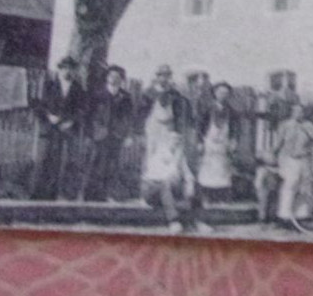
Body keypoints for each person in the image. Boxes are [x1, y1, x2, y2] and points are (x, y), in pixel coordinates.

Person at [139, 65, 205, 233]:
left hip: (168, 130)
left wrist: (177, 131)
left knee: (176, 159)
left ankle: (194, 218)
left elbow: (182, 112)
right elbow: (140, 113)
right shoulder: (148, 93)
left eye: (167, 76)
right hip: (153, 128)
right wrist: (139, 131)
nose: (164, 78)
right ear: (157, 77)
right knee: (151, 159)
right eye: (162, 75)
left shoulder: (175, 95)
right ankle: (148, 194)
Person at [32, 56, 85, 201]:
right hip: (50, 129)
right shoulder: (49, 85)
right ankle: (39, 194)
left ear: (74, 71)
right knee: (45, 160)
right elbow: (39, 106)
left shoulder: (78, 88)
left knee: (64, 162)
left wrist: (71, 122)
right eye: (64, 68)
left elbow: (81, 110)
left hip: (67, 130)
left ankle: (58, 195)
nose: (67, 72)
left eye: (71, 69)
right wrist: (49, 116)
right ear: (59, 69)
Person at [81, 64, 132, 202]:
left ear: (121, 79)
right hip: (99, 135)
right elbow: (88, 116)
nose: (113, 79)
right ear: (107, 78)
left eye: (117, 77)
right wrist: (89, 133)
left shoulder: (125, 97)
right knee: (95, 163)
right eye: (111, 76)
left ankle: (107, 194)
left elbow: (128, 118)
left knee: (112, 165)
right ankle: (89, 195)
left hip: (116, 136)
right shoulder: (97, 95)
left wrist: (127, 135)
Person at [274, 101, 313, 232]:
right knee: (290, 185)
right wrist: (273, 155)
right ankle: (284, 217)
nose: (298, 114)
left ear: (304, 113)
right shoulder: (285, 125)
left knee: (303, 188)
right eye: (295, 111)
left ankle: (300, 217)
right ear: (291, 112)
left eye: (301, 111)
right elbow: (278, 143)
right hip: (288, 159)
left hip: (304, 159)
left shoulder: (308, 126)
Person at [195, 82, 239, 204]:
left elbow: (235, 128)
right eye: (220, 92)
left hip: (223, 145)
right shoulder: (208, 109)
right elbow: (200, 127)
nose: (223, 95)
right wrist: (200, 142)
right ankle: (206, 198)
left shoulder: (231, 111)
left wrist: (234, 141)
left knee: (222, 171)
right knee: (208, 171)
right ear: (215, 93)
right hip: (209, 143)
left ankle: (221, 198)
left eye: (226, 93)